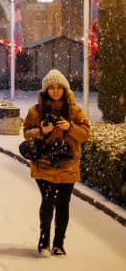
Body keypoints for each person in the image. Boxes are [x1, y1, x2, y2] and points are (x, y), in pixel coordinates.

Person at [21, 69, 90, 257]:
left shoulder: (74, 110)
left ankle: (58, 244)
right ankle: (44, 242)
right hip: (44, 164)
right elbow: (27, 133)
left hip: (68, 164)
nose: (56, 91)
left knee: (63, 204)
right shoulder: (36, 111)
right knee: (48, 201)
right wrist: (42, 131)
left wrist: (70, 127)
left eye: (59, 87)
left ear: (65, 89)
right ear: (46, 90)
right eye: (52, 88)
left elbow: (85, 135)